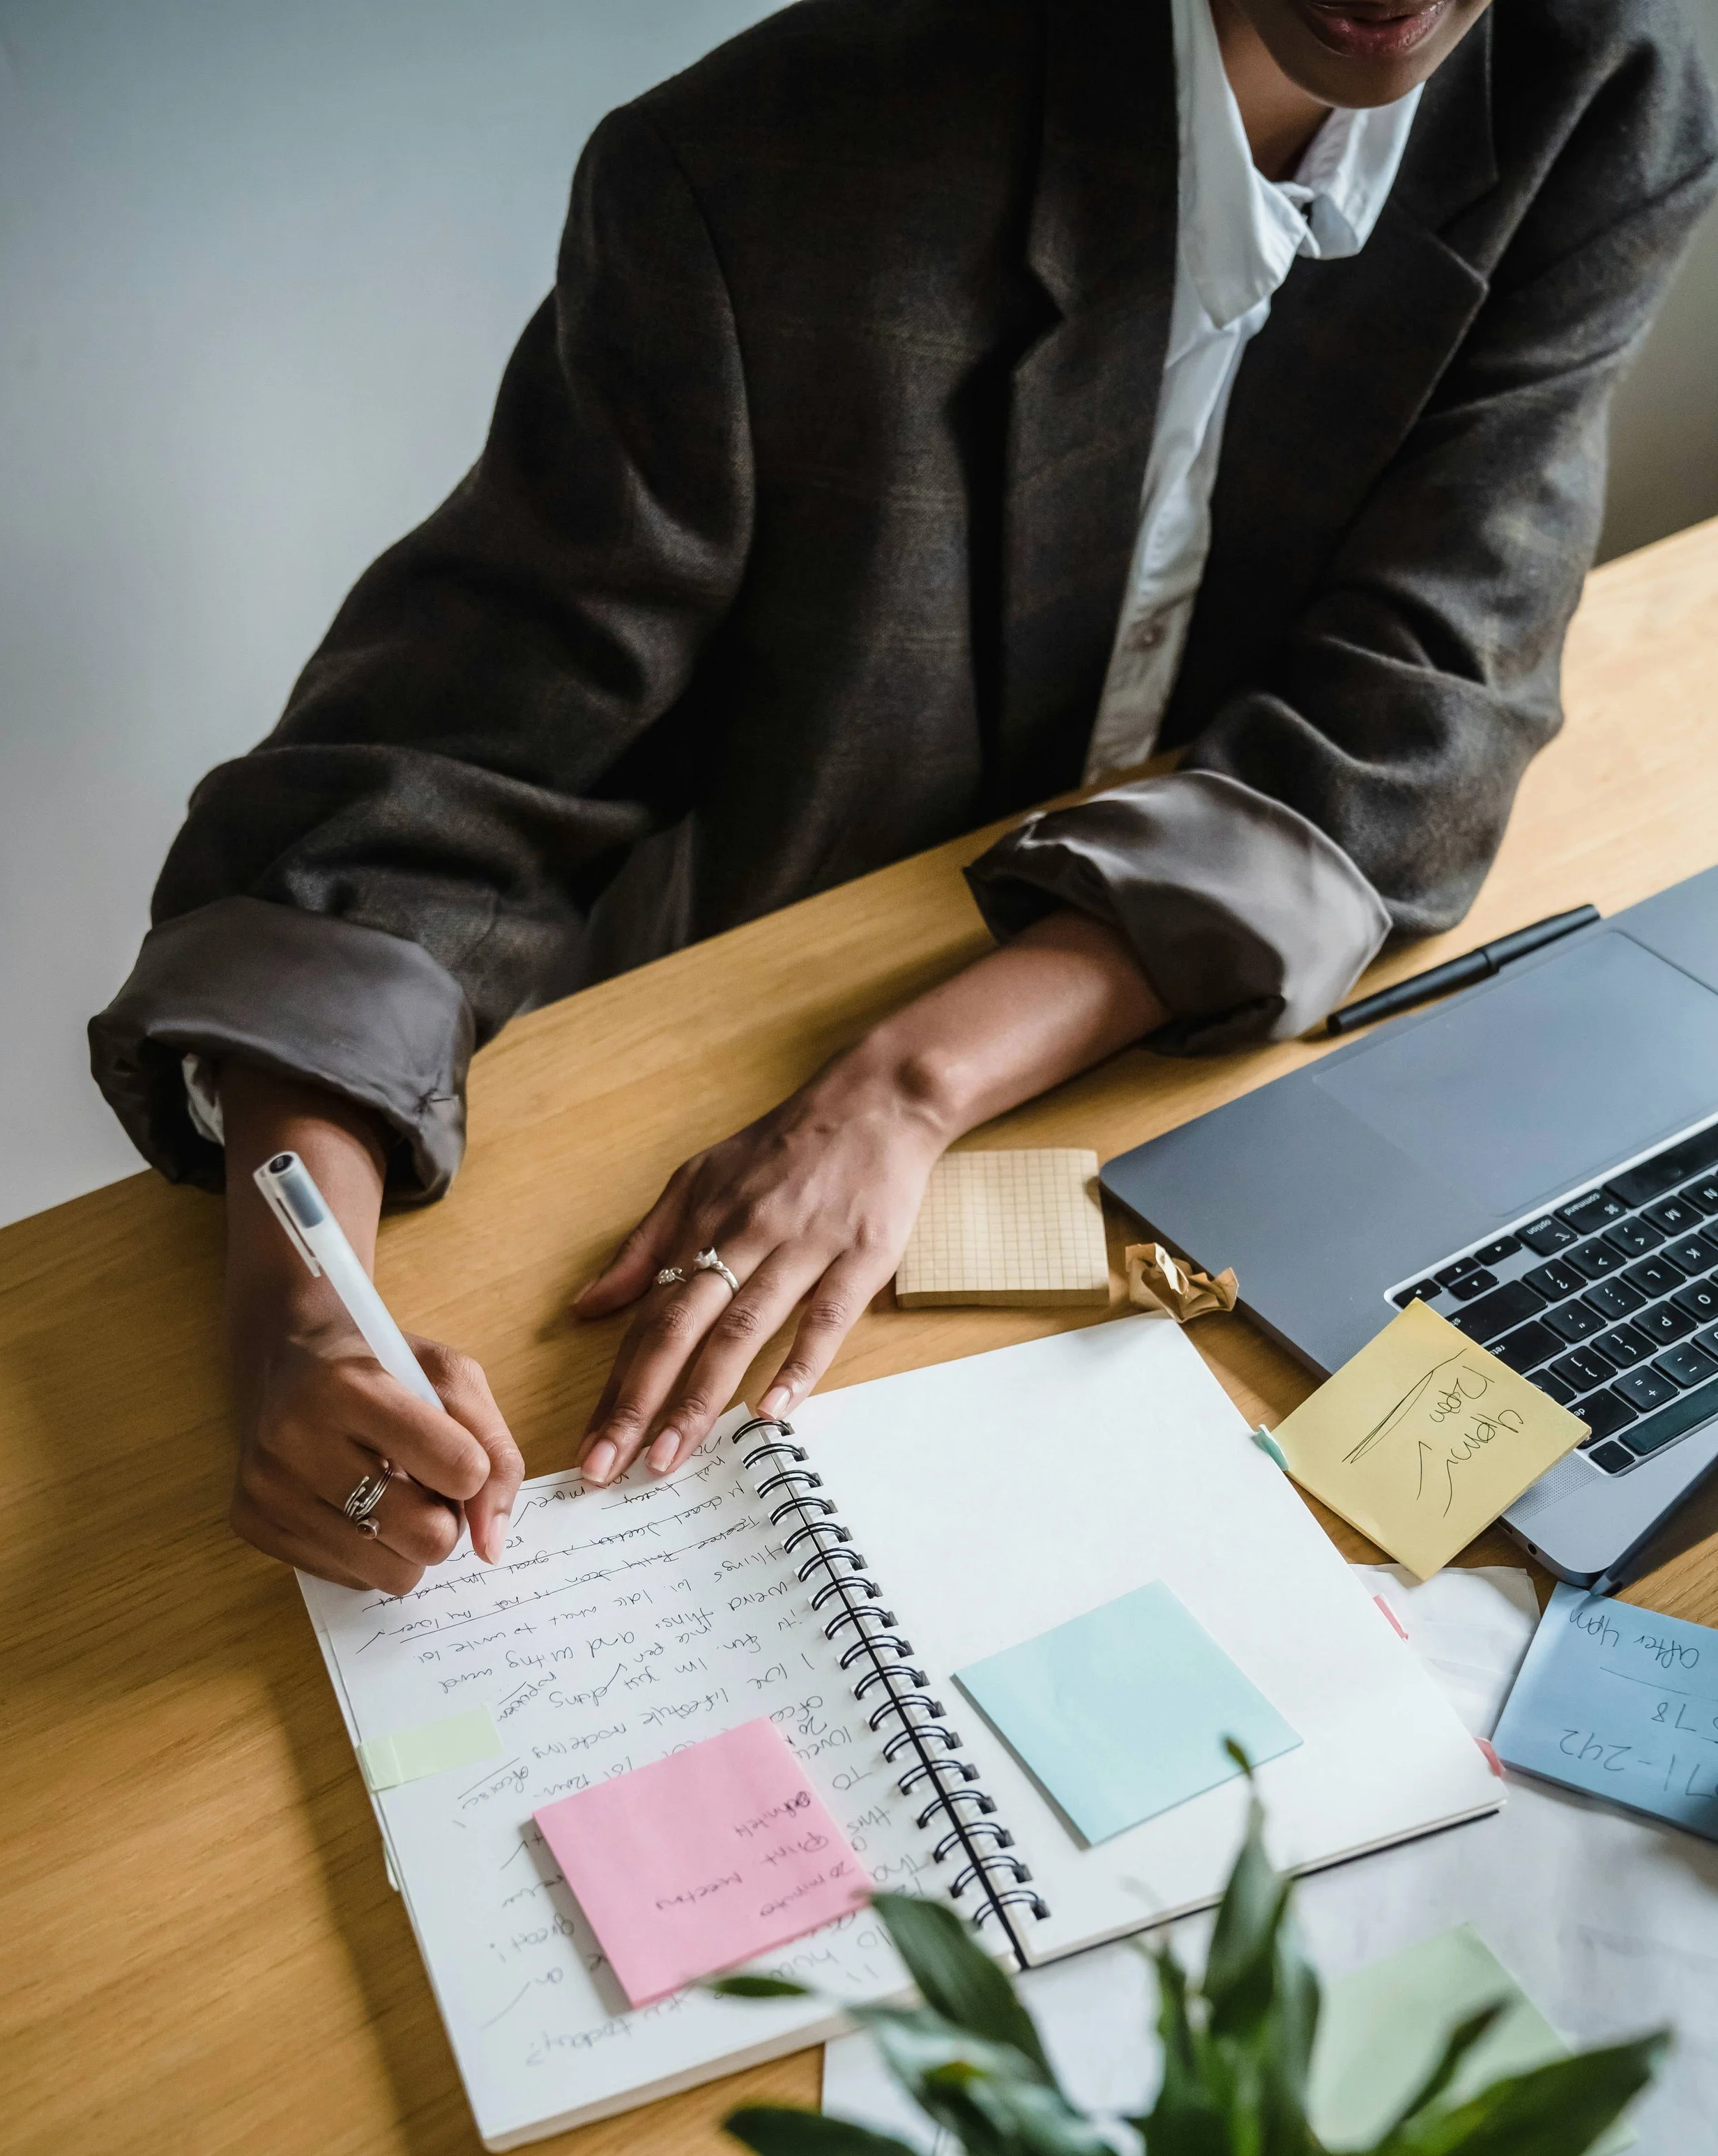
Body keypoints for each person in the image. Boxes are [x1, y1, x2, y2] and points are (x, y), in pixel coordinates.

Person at [91, 0, 1716, 1593]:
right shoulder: (758, 168)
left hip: (1135, 1053)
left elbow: (1427, 703)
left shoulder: (1607, 74)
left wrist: (901, 1091)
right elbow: (428, 777)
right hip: (713, 1031)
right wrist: (297, 1316)